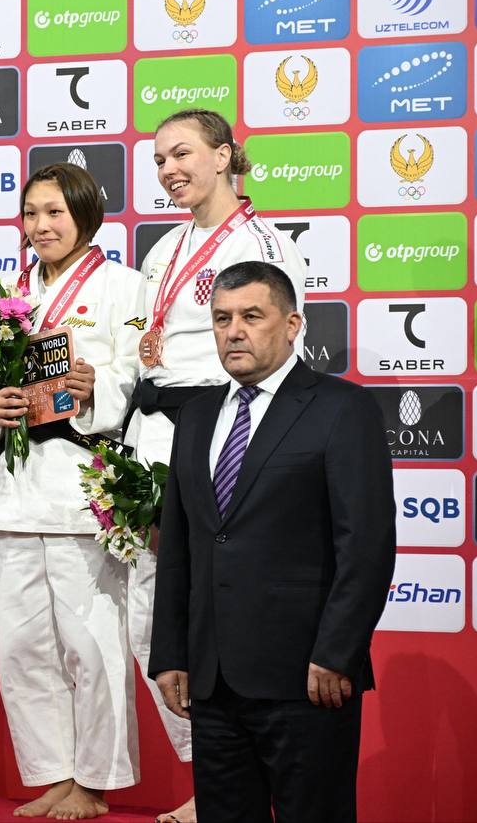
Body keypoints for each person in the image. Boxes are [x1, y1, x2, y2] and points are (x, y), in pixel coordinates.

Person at [149, 261, 395, 822]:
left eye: (251, 316)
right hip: (212, 681)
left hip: (307, 678)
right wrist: (170, 653)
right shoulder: (196, 415)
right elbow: (180, 546)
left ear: (291, 325)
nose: (233, 331)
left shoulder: (342, 408)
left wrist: (337, 653)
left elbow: (366, 546)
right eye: (222, 319)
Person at [124, 108, 308, 823]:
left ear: (226, 155)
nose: (168, 170)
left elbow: (281, 359)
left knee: (217, 610)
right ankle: (210, 775)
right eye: (159, 159)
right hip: (152, 438)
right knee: (153, 614)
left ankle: (228, 785)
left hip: (220, 438)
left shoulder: (263, 245)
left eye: (182, 153)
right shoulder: (163, 249)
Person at [0, 164, 143, 820]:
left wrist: (102, 387)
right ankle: (55, 772)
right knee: (23, 646)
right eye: (31, 213)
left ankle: (95, 781)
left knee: (90, 642)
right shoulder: (6, 298)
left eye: (55, 213)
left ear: (86, 215)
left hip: (81, 484)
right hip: (16, 486)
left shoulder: (125, 286)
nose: (41, 226)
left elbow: (142, 375)